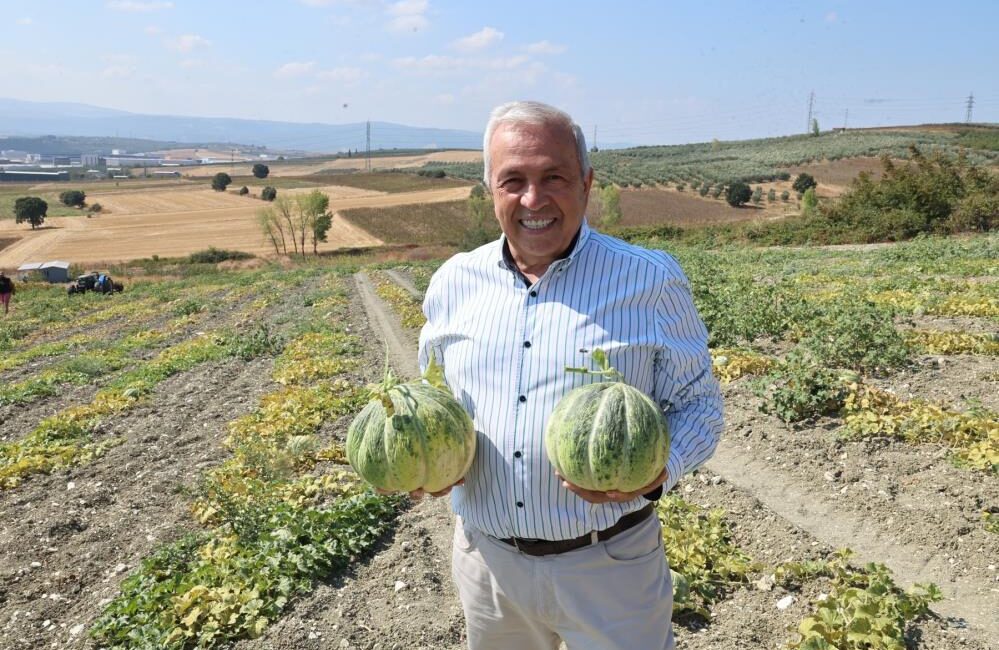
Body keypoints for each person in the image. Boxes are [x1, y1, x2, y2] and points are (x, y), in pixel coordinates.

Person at [416, 100, 723, 650]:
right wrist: (435, 458)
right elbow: (436, 394)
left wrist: (658, 472)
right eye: (513, 180)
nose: (533, 199)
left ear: (585, 182)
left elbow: (699, 404)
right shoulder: (453, 282)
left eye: (552, 176)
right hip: (487, 564)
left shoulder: (648, 279)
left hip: (609, 566)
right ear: (489, 188)